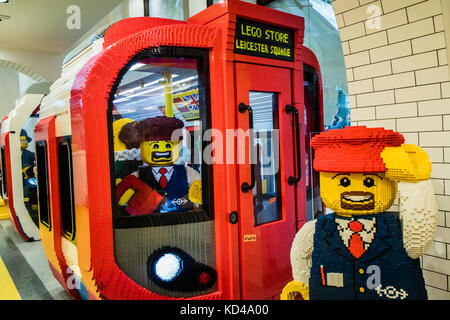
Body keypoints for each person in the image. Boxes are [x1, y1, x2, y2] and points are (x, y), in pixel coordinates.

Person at [282, 126, 437, 300]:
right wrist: (302, 283)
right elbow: (300, 254)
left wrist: (415, 181)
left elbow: (419, 242)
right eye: (345, 181)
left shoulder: (400, 228)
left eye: (370, 181)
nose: (356, 192)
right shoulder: (316, 229)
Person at [116, 116, 202, 215]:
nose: (162, 151)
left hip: (183, 221)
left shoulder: (187, 172)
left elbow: (199, 192)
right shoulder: (138, 176)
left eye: (168, 145)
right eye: (155, 146)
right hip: (151, 223)